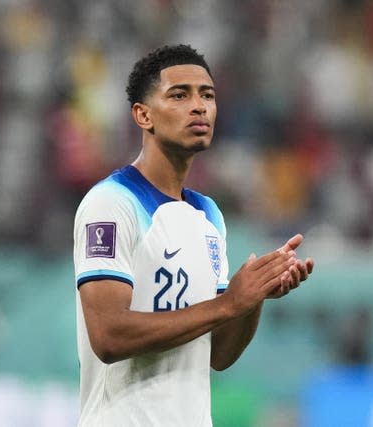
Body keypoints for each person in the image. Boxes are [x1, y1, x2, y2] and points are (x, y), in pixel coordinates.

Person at [72, 44, 314, 427]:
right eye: (179, 95)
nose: (199, 106)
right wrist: (227, 304)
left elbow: (218, 353)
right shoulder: (112, 203)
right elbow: (108, 336)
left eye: (208, 95)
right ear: (143, 115)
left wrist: (253, 299)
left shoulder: (208, 215)